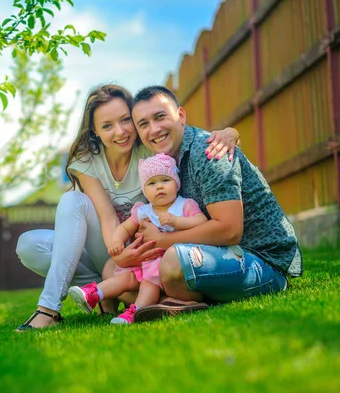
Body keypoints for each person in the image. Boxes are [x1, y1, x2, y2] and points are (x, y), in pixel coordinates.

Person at [15, 84, 240, 331]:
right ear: (95, 130)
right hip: (112, 246)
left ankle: (61, 305)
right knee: (32, 242)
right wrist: (118, 253)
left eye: (125, 120)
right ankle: (100, 292)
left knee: (72, 205)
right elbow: (107, 216)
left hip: (153, 251)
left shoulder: (150, 148)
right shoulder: (86, 159)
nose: (120, 132)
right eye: (107, 125)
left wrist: (230, 133)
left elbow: (182, 132)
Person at [124, 86, 302, 322]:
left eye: (160, 117)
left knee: (172, 263)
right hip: (212, 253)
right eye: (143, 124)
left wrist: (162, 241)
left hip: (262, 260)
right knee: (117, 273)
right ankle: (180, 296)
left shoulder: (209, 152)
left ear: (181, 115)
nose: (154, 129)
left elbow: (229, 230)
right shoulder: (161, 163)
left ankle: (178, 295)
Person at [67, 153, 207, 324]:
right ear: (145, 190)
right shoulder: (143, 211)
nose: (159, 187)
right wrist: (117, 241)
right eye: (152, 183)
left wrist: (177, 221)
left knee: (149, 282)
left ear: (176, 183)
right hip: (145, 261)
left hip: (168, 264)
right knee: (125, 279)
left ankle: (135, 312)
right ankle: (93, 294)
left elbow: (201, 221)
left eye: (165, 180)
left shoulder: (184, 205)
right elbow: (125, 227)